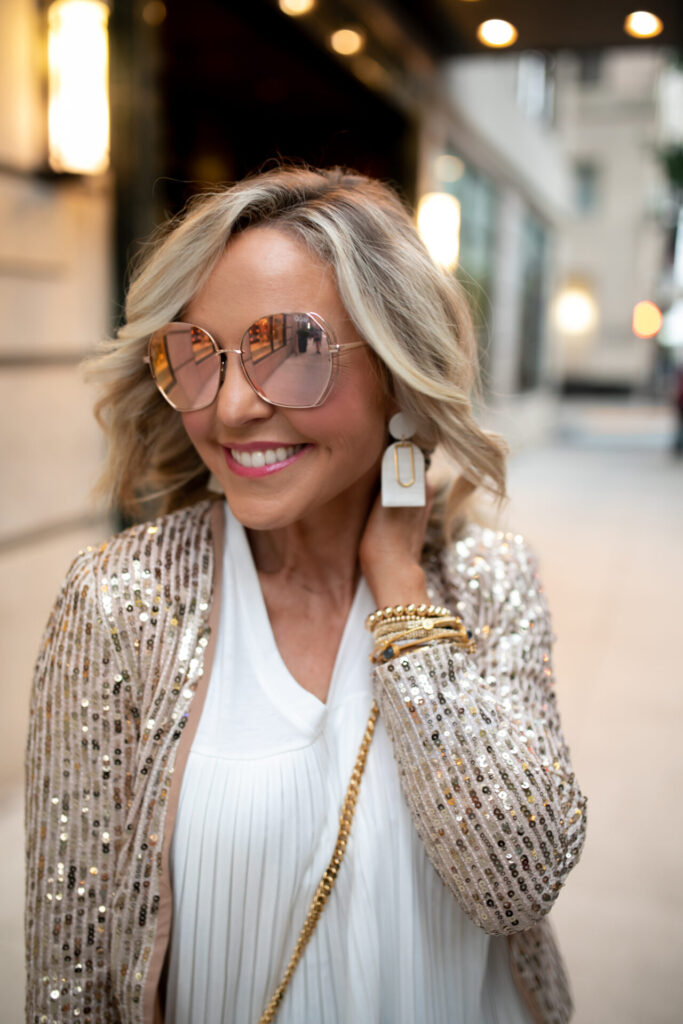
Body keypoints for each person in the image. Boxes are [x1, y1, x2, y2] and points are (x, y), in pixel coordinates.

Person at [25, 166, 587, 1024]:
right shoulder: (121, 603)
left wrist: (398, 585)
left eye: (288, 348)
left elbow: (516, 878)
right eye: (197, 356)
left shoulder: (486, 581)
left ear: (398, 369)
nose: (233, 409)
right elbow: (71, 974)